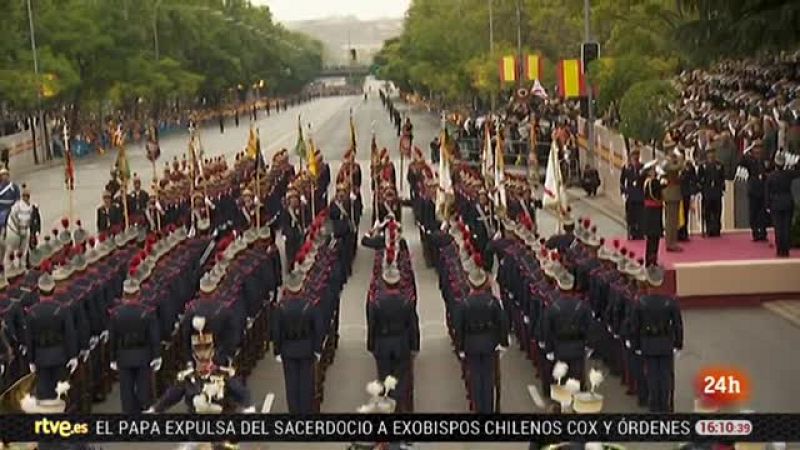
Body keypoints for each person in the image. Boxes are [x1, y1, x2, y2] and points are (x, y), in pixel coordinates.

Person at [627, 265, 683, 413]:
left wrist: (636, 346)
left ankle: (654, 406)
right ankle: (666, 406)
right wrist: (678, 344)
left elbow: (635, 326)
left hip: (648, 343)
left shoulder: (640, 303)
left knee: (652, 376)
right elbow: (678, 325)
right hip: (665, 343)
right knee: (665, 376)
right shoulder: (670, 302)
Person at [454, 265, 508, 413]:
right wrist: (503, 343)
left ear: (470, 283)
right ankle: (489, 410)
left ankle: (479, 409)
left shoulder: (464, 304)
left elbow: (459, 328)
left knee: (476, 380)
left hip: (471, 344)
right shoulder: (492, 301)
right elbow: (502, 323)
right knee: (489, 380)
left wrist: (460, 348)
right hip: (489, 343)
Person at [367, 262, 420, 412]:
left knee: (384, 379)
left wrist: (371, 345)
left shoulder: (376, 303)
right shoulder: (406, 302)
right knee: (401, 381)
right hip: (401, 344)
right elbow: (413, 326)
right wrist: (415, 346)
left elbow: (372, 326)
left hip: (382, 344)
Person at [272, 271, 323, 414]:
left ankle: (294, 413)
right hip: (307, 348)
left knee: (291, 385)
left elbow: (276, 332)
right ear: (302, 287)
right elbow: (318, 328)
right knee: (306, 384)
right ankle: (305, 412)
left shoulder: (280, 307)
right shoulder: (310, 305)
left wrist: (277, 350)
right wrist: (317, 349)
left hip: (288, 350)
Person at [108, 277, 161, 413]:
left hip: (124, 355)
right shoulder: (147, 312)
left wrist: (112, 357)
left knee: (126, 391)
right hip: (143, 354)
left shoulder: (116, 313)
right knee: (144, 389)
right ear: (138, 293)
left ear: (124, 294)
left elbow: (113, 337)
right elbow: (153, 336)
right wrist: (156, 355)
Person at [765, 152, 800, 257]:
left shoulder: (771, 176)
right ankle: (786, 249)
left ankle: (780, 249)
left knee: (778, 227)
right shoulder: (788, 174)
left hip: (775, 203)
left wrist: (767, 205)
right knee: (786, 227)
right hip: (787, 202)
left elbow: (767, 191)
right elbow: (798, 172)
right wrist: (797, 163)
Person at [737, 141, 770, 241]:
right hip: (753, 189)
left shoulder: (765, 159)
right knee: (753, 212)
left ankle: (763, 233)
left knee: (763, 213)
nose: (758, 150)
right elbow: (740, 161)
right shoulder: (749, 160)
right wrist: (747, 149)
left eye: (760, 148)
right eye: (756, 148)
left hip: (763, 189)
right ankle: (755, 233)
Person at [5, 184, 37, 269]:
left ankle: (24, 265)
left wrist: (33, 232)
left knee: (25, 250)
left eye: (28, 196)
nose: (26, 197)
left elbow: (32, 220)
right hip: (15, 230)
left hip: (25, 231)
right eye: (25, 196)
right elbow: (13, 217)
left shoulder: (31, 207)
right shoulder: (16, 206)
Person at [697, 148, 725, 237]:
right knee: (707, 211)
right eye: (709, 153)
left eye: (712, 153)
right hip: (707, 191)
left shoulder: (719, 165)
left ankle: (716, 229)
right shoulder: (703, 166)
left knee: (717, 210)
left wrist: (721, 187)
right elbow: (699, 178)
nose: (711, 155)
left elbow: (722, 177)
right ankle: (709, 229)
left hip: (716, 191)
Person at [642, 161, 664, 267]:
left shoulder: (647, 182)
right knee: (654, 239)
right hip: (654, 213)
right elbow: (659, 194)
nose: (655, 172)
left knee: (651, 240)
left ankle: (650, 259)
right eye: (653, 170)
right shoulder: (653, 182)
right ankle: (652, 260)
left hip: (649, 213)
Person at [662, 151, 685, 252]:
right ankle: (670, 243)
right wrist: (681, 158)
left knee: (674, 220)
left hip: (674, 194)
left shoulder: (670, 162)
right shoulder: (667, 163)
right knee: (671, 220)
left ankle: (673, 241)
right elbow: (677, 167)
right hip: (671, 194)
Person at [619, 149, 644, 240]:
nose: (636, 158)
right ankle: (631, 232)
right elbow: (622, 182)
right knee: (630, 216)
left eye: (637, 156)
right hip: (630, 196)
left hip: (640, 196)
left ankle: (640, 232)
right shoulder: (626, 168)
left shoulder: (642, 168)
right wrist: (623, 193)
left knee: (640, 215)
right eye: (634, 156)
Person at [678, 160, 699, 241]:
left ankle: (684, 233)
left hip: (686, 194)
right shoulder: (678, 168)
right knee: (679, 215)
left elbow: (694, 179)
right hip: (678, 194)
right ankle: (678, 233)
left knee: (685, 214)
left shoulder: (690, 168)